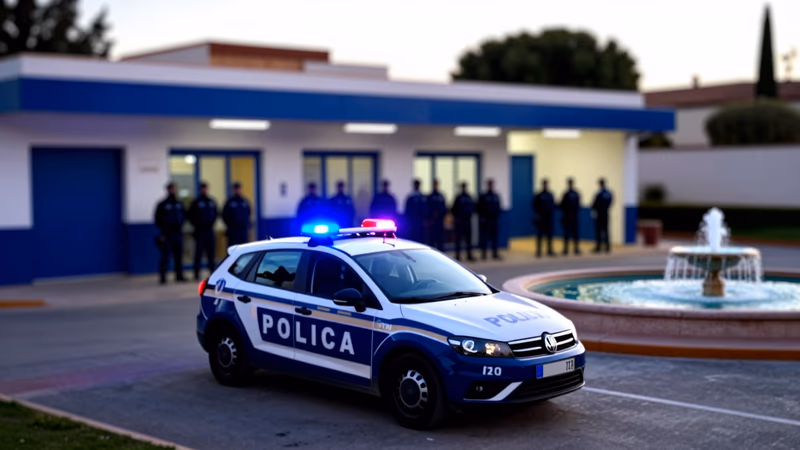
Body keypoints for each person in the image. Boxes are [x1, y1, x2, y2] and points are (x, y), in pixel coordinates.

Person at [154, 182, 186, 284]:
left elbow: (184, 216)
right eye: (171, 189)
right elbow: (157, 219)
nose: (173, 191)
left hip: (178, 233)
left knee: (179, 256)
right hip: (167, 234)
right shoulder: (162, 204)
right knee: (165, 256)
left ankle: (179, 276)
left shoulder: (179, 204)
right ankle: (163, 277)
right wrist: (163, 232)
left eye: (174, 189)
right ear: (168, 190)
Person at [188, 182, 218, 280]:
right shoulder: (196, 202)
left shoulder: (211, 202)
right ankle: (196, 274)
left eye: (205, 188)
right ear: (200, 190)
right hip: (200, 231)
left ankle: (212, 273)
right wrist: (196, 226)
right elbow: (190, 216)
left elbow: (216, 214)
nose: (204, 190)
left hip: (209, 231)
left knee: (211, 254)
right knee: (198, 254)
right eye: (202, 188)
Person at [477, 179, 502, 260]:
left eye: (492, 184)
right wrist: (482, 218)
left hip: (494, 220)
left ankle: (494, 253)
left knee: (494, 238)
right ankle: (483, 254)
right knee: (484, 238)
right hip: (486, 220)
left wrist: (497, 216)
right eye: (489, 184)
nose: (491, 186)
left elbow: (498, 207)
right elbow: (479, 208)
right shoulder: (483, 196)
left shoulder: (496, 196)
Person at [451, 182, 475, 261]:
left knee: (468, 239)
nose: (464, 188)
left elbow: (473, 208)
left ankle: (469, 254)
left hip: (467, 221)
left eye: (465, 187)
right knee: (458, 239)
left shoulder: (469, 197)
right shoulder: (458, 197)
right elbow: (453, 209)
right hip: (460, 221)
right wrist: (456, 219)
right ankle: (458, 255)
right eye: (463, 187)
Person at [532, 179, 556, 257]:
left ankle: (550, 250)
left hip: (549, 217)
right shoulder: (539, 195)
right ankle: (538, 251)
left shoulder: (550, 194)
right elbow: (534, 205)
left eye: (546, 184)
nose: (545, 185)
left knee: (550, 235)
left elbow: (553, 205)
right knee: (540, 235)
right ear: (542, 184)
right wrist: (537, 215)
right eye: (544, 184)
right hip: (541, 218)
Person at [222, 182, 251, 247]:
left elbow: (248, 213)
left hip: (243, 230)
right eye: (236, 189)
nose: (237, 190)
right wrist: (230, 226)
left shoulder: (244, 201)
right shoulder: (229, 202)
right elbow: (224, 215)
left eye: (238, 189)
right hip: (233, 231)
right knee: (233, 248)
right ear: (233, 190)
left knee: (244, 248)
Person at [560, 178, 582, 256]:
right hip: (572, 216)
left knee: (570, 233)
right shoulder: (575, 193)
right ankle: (572, 249)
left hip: (570, 216)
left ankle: (571, 249)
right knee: (570, 233)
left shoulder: (567, 194)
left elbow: (561, 205)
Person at [592, 178, 613, 253]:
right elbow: (611, 202)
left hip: (599, 214)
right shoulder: (609, 193)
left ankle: (598, 247)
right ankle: (607, 247)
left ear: (600, 184)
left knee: (599, 231)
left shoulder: (599, 194)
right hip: (606, 213)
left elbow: (594, 204)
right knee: (606, 230)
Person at [427, 180, 447, 251]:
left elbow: (444, 208)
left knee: (440, 240)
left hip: (440, 221)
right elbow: (427, 209)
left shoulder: (441, 196)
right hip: (432, 222)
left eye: (436, 184)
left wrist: (440, 214)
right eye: (434, 184)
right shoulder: (429, 196)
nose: (435, 186)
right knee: (431, 240)